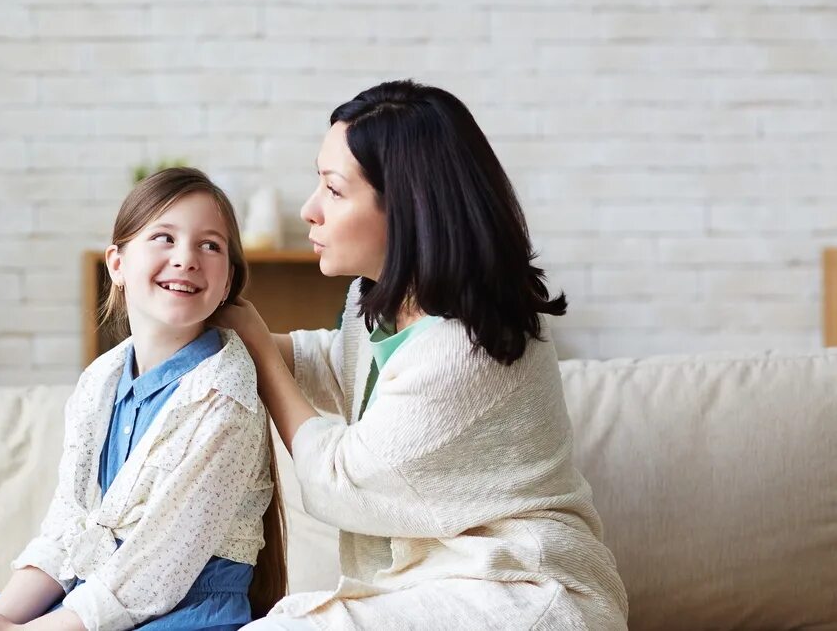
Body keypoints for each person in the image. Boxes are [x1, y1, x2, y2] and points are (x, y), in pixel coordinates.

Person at [222, 80, 630, 630]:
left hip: (523, 595)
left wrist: (261, 356)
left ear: (408, 209)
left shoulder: (464, 347)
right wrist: (233, 339)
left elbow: (340, 479)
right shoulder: (379, 301)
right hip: (438, 589)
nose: (309, 210)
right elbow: (343, 367)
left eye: (335, 190)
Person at [0, 168, 287, 631]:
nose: (187, 258)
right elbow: (67, 529)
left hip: (182, 612)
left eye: (210, 245)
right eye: (164, 237)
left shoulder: (225, 396)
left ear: (228, 279)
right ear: (116, 264)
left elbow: (154, 573)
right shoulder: (101, 380)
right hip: (86, 602)